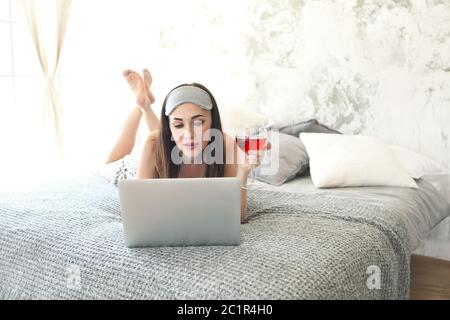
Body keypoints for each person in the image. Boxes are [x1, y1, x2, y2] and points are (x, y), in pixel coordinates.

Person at [100, 69, 269, 223]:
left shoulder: (225, 144)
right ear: (170, 127)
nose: (189, 133)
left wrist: (244, 170)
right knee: (107, 167)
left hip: (167, 148)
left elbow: (236, 217)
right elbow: (142, 212)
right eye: (178, 125)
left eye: (198, 122)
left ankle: (146, 105)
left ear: (212, 122)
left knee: (169, 140)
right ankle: (141, 106)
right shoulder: (152, 144)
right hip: (137, 167)